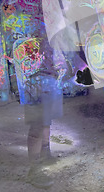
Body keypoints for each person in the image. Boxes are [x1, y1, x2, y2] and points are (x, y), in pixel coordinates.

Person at [13, 37, 66, 188]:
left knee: (47, 119)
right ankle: (34, 169)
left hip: (50, 76)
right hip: (32, 79)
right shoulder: (25, 27)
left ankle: (45, 152)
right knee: (37, 124)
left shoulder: (48, 25)